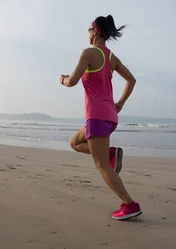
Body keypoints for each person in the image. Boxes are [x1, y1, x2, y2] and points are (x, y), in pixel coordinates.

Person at [59, 15, 142, 220]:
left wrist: (62, 79)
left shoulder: (88, 53)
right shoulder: (112, 57)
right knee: (74, 143)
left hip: (96, 117)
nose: (87, 32)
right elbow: (131, 80)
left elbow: (72, 82)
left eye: (89, 29)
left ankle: (130, 205)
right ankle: (111, 153)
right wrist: (120, 103)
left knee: (102, 167)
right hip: (109, 117)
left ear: (95, 31)